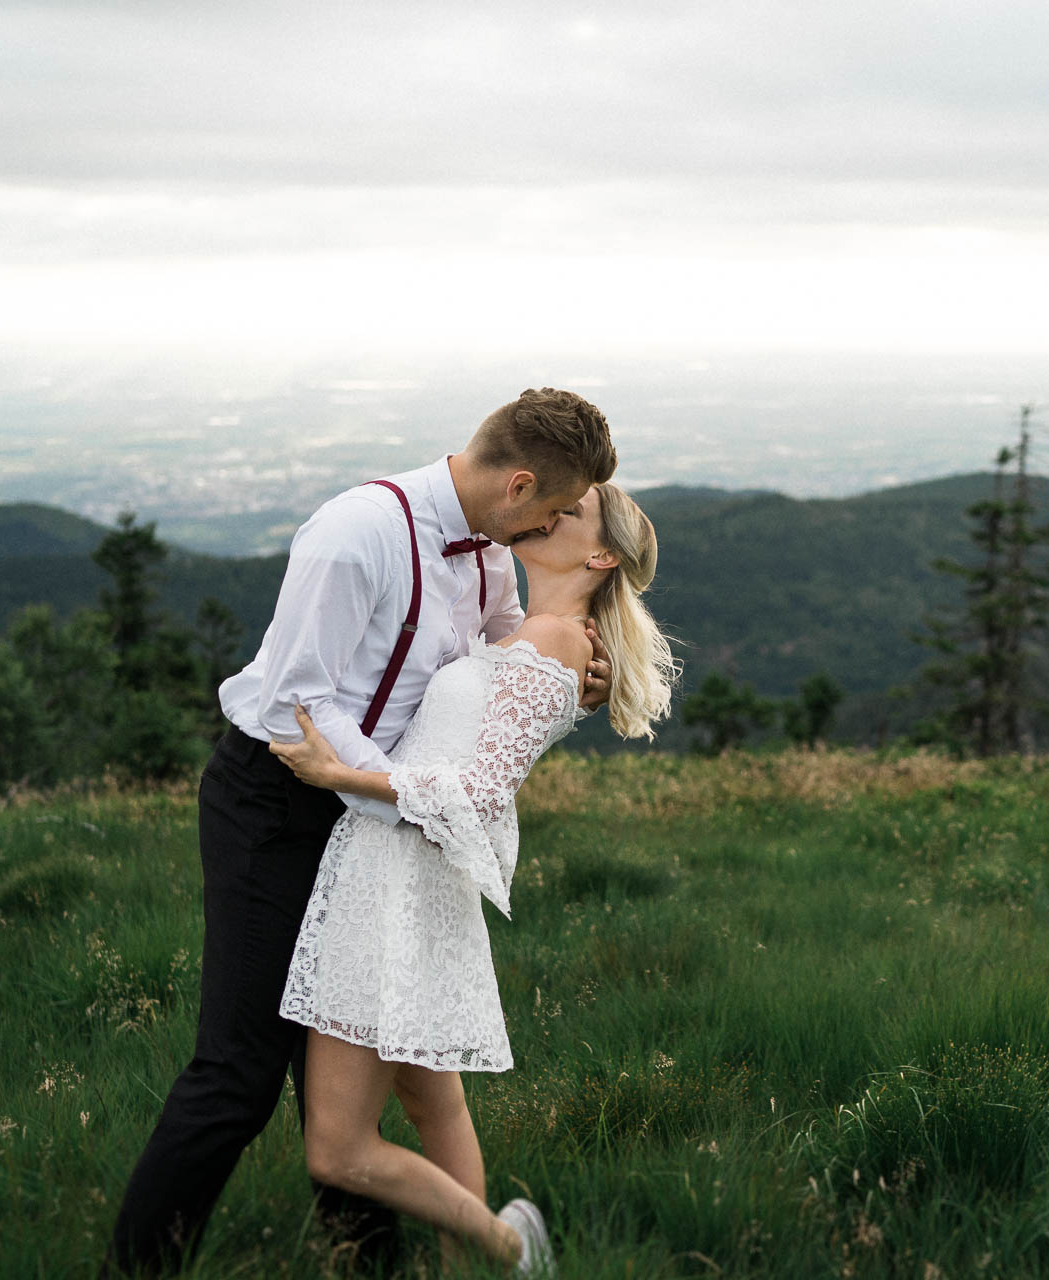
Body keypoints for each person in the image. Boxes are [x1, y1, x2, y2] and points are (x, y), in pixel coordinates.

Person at [105, 389, 617, 1276]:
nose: (549, 527)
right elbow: (294, 704)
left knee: (335, 1083)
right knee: (238, 1073)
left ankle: (370, 1265)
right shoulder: (357, 533)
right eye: (555, 509)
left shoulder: (493, 558)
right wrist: (398, 801)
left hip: (373, 820)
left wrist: (576, 677)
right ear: (519, 487)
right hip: (276, 804)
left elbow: (500, 659)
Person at [267, 482, 677, 1274]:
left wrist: (338, 774)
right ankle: (470, 1268)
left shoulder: (556, 641)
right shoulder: (537, 634)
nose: (548, 512)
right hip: (401, 870)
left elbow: (482, 793)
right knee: (432, 1100)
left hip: (403, 878)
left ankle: (510, 1247)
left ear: (600, 556)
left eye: (570, 511)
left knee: (338, 1150)